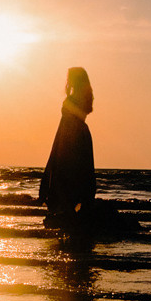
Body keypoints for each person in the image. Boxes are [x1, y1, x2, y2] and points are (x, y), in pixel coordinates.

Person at [39, 66, 107, 232]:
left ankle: (68, 220)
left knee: (63, 176)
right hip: (79, 133)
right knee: (80, 175)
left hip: (69, 134)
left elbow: (69, 118)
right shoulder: (86, 97)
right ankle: (74, 219)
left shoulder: (73, 98)